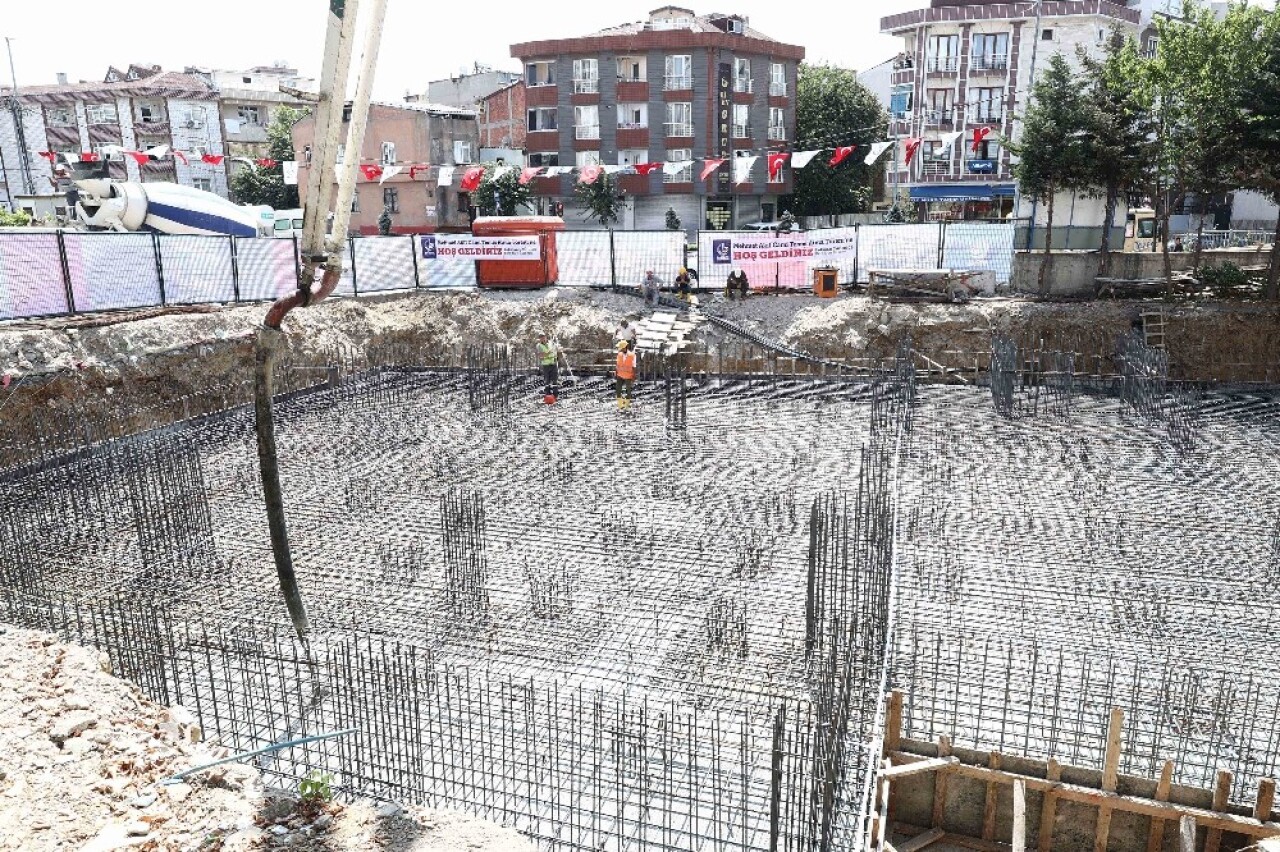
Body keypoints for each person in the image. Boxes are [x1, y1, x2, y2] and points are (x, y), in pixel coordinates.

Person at [615, 340, 637, 411]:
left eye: (621, 347)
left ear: (625, 347)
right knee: (618, 389)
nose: (620, 349)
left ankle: (626, 405)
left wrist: (633, 376)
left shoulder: (632, 355)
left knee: (628, 391)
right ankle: (620, 405)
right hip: (620, 375)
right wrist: (616, 372)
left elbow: (634, 366)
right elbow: (617, 365)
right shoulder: (619, 354)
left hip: (628, 375)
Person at [536, 333, 559, 400]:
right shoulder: (539, 346)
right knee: (547, 381)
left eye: (543, 337)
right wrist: (548, 353)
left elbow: (555, 351)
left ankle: (555, 395)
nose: (542, 339)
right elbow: (541, 356)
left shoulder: (551, 343)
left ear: (546, 337)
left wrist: (555, 355)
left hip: (553, 364)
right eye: (541, 338)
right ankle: (548, 395)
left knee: (555, 380)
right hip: (546, 365)